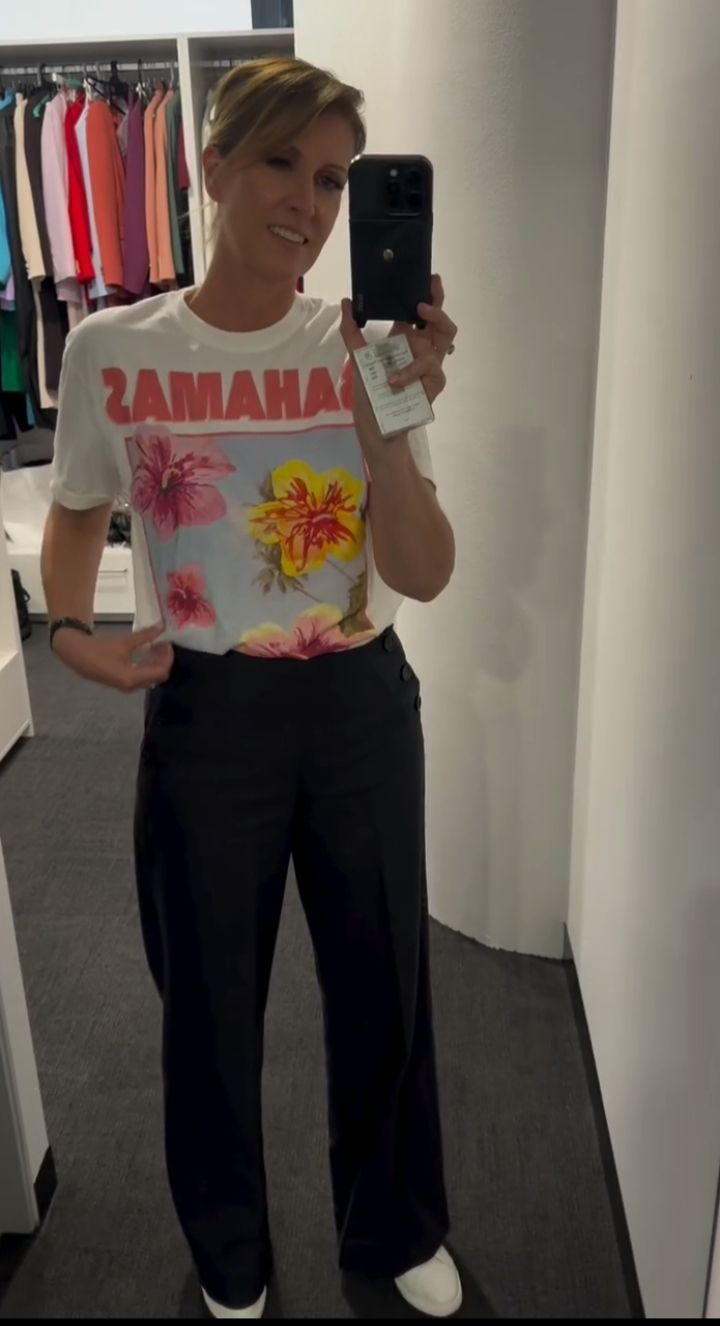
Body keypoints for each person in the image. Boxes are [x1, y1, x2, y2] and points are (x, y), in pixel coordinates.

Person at [41, 57, 460, 1321]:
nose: (309, 203)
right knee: (209, 1000)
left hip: (359, 702)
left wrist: (388, 430)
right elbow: (78, 512)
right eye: (282, 163)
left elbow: (424, 571)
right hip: (207, 711)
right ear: (212, 165)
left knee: (384, 978)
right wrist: (75, 633)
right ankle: (231, 1253)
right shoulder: (113, 348)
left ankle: (395, 1224)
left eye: (332, 179)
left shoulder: (367, 346)